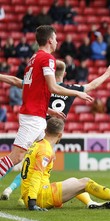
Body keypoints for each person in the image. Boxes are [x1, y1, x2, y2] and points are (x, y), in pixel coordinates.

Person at [1, 60, 110, 200]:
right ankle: (22, 194)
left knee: (24, 160)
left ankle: (12, 190)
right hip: (51, 133)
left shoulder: (43, 85)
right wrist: (107, 74)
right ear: (65, 74)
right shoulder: (71, 89)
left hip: (37, 126)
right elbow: (92, 85)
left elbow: (15, 80)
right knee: (36, 165)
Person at [0, 25, 93, 182]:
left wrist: (49, 110)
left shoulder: (33, 59)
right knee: (16, 157)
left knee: (47, 155)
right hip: (33, 117)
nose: (57, 42)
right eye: (56, 38)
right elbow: (53, 87)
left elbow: (30, 89)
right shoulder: (47, 59)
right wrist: (77, 92)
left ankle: (34, 193)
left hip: (37, 114)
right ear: (50, 40)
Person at [21, 117, 110, 211]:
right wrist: (32, 202)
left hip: (31, 193)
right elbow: (36, 175)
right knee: (85, 182)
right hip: (39, 196)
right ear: (60, 134)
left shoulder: (38, 144)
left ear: (45, 130)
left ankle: (90, 202)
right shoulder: (46, 150)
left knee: (74, 181)